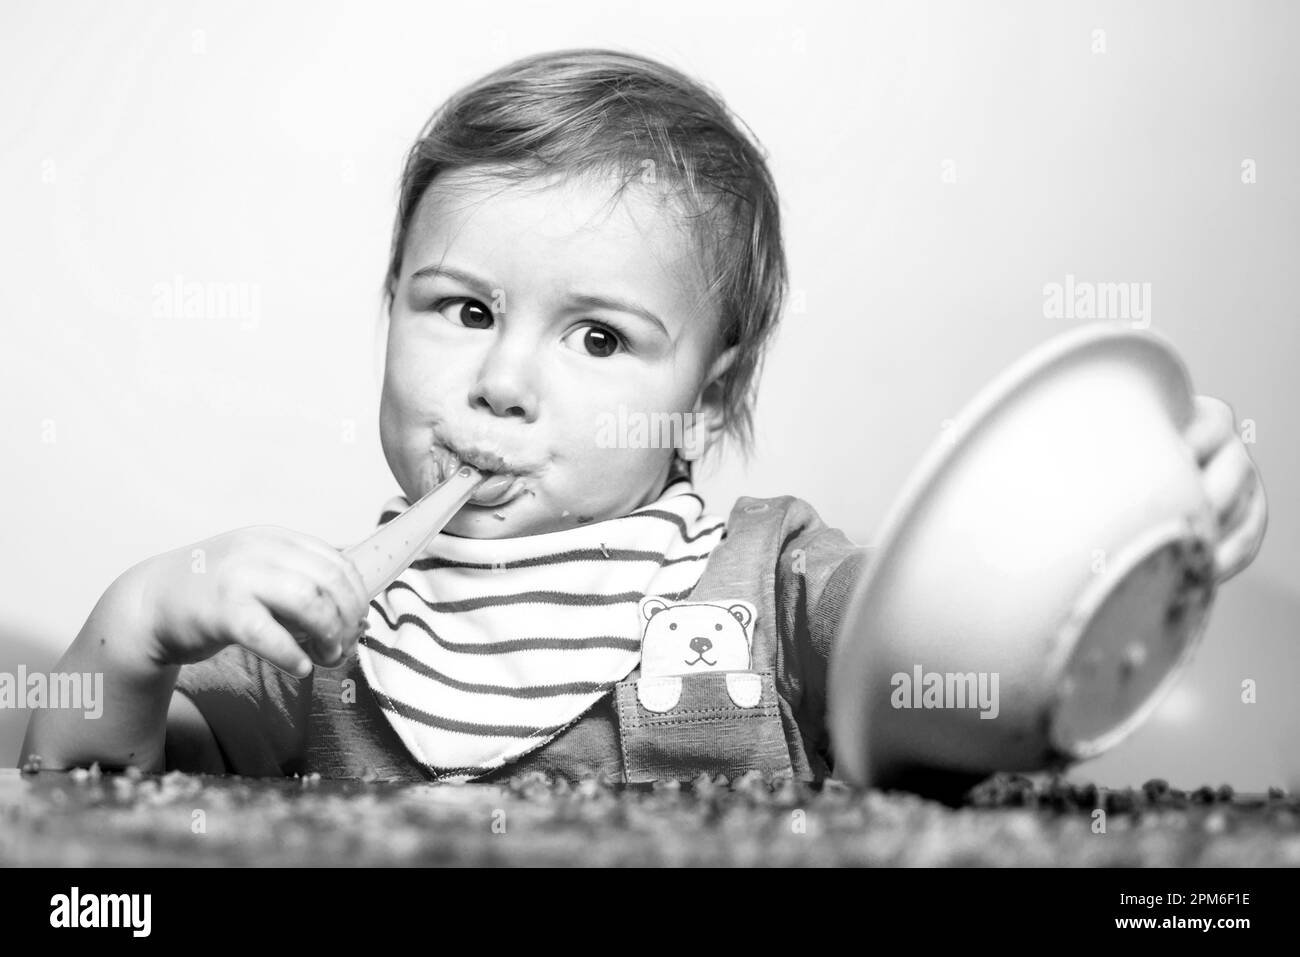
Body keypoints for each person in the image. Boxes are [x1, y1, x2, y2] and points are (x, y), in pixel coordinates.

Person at [20, 49, 1266, 785]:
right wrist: (135, 629)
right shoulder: (310, 630)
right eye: (459, 309)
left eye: (600, 337)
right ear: (386, 304)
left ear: (707, 395)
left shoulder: (768, 581)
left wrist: (1127, 521)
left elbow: (951, 656)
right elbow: (80, 815)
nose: (502, 381)